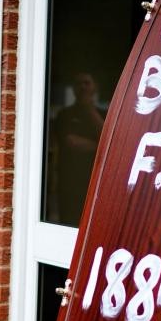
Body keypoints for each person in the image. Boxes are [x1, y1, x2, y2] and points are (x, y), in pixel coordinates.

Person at [53, 72, 106, 225]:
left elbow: (107, 137)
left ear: (95, 87)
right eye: (78, 83)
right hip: (70, 184)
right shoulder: (64, 115)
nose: (82, 87)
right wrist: (99, 147)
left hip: (95, 183)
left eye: (86, 83)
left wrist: (89, 109)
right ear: (73, 89)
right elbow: (71, 142)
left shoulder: (103, 114)